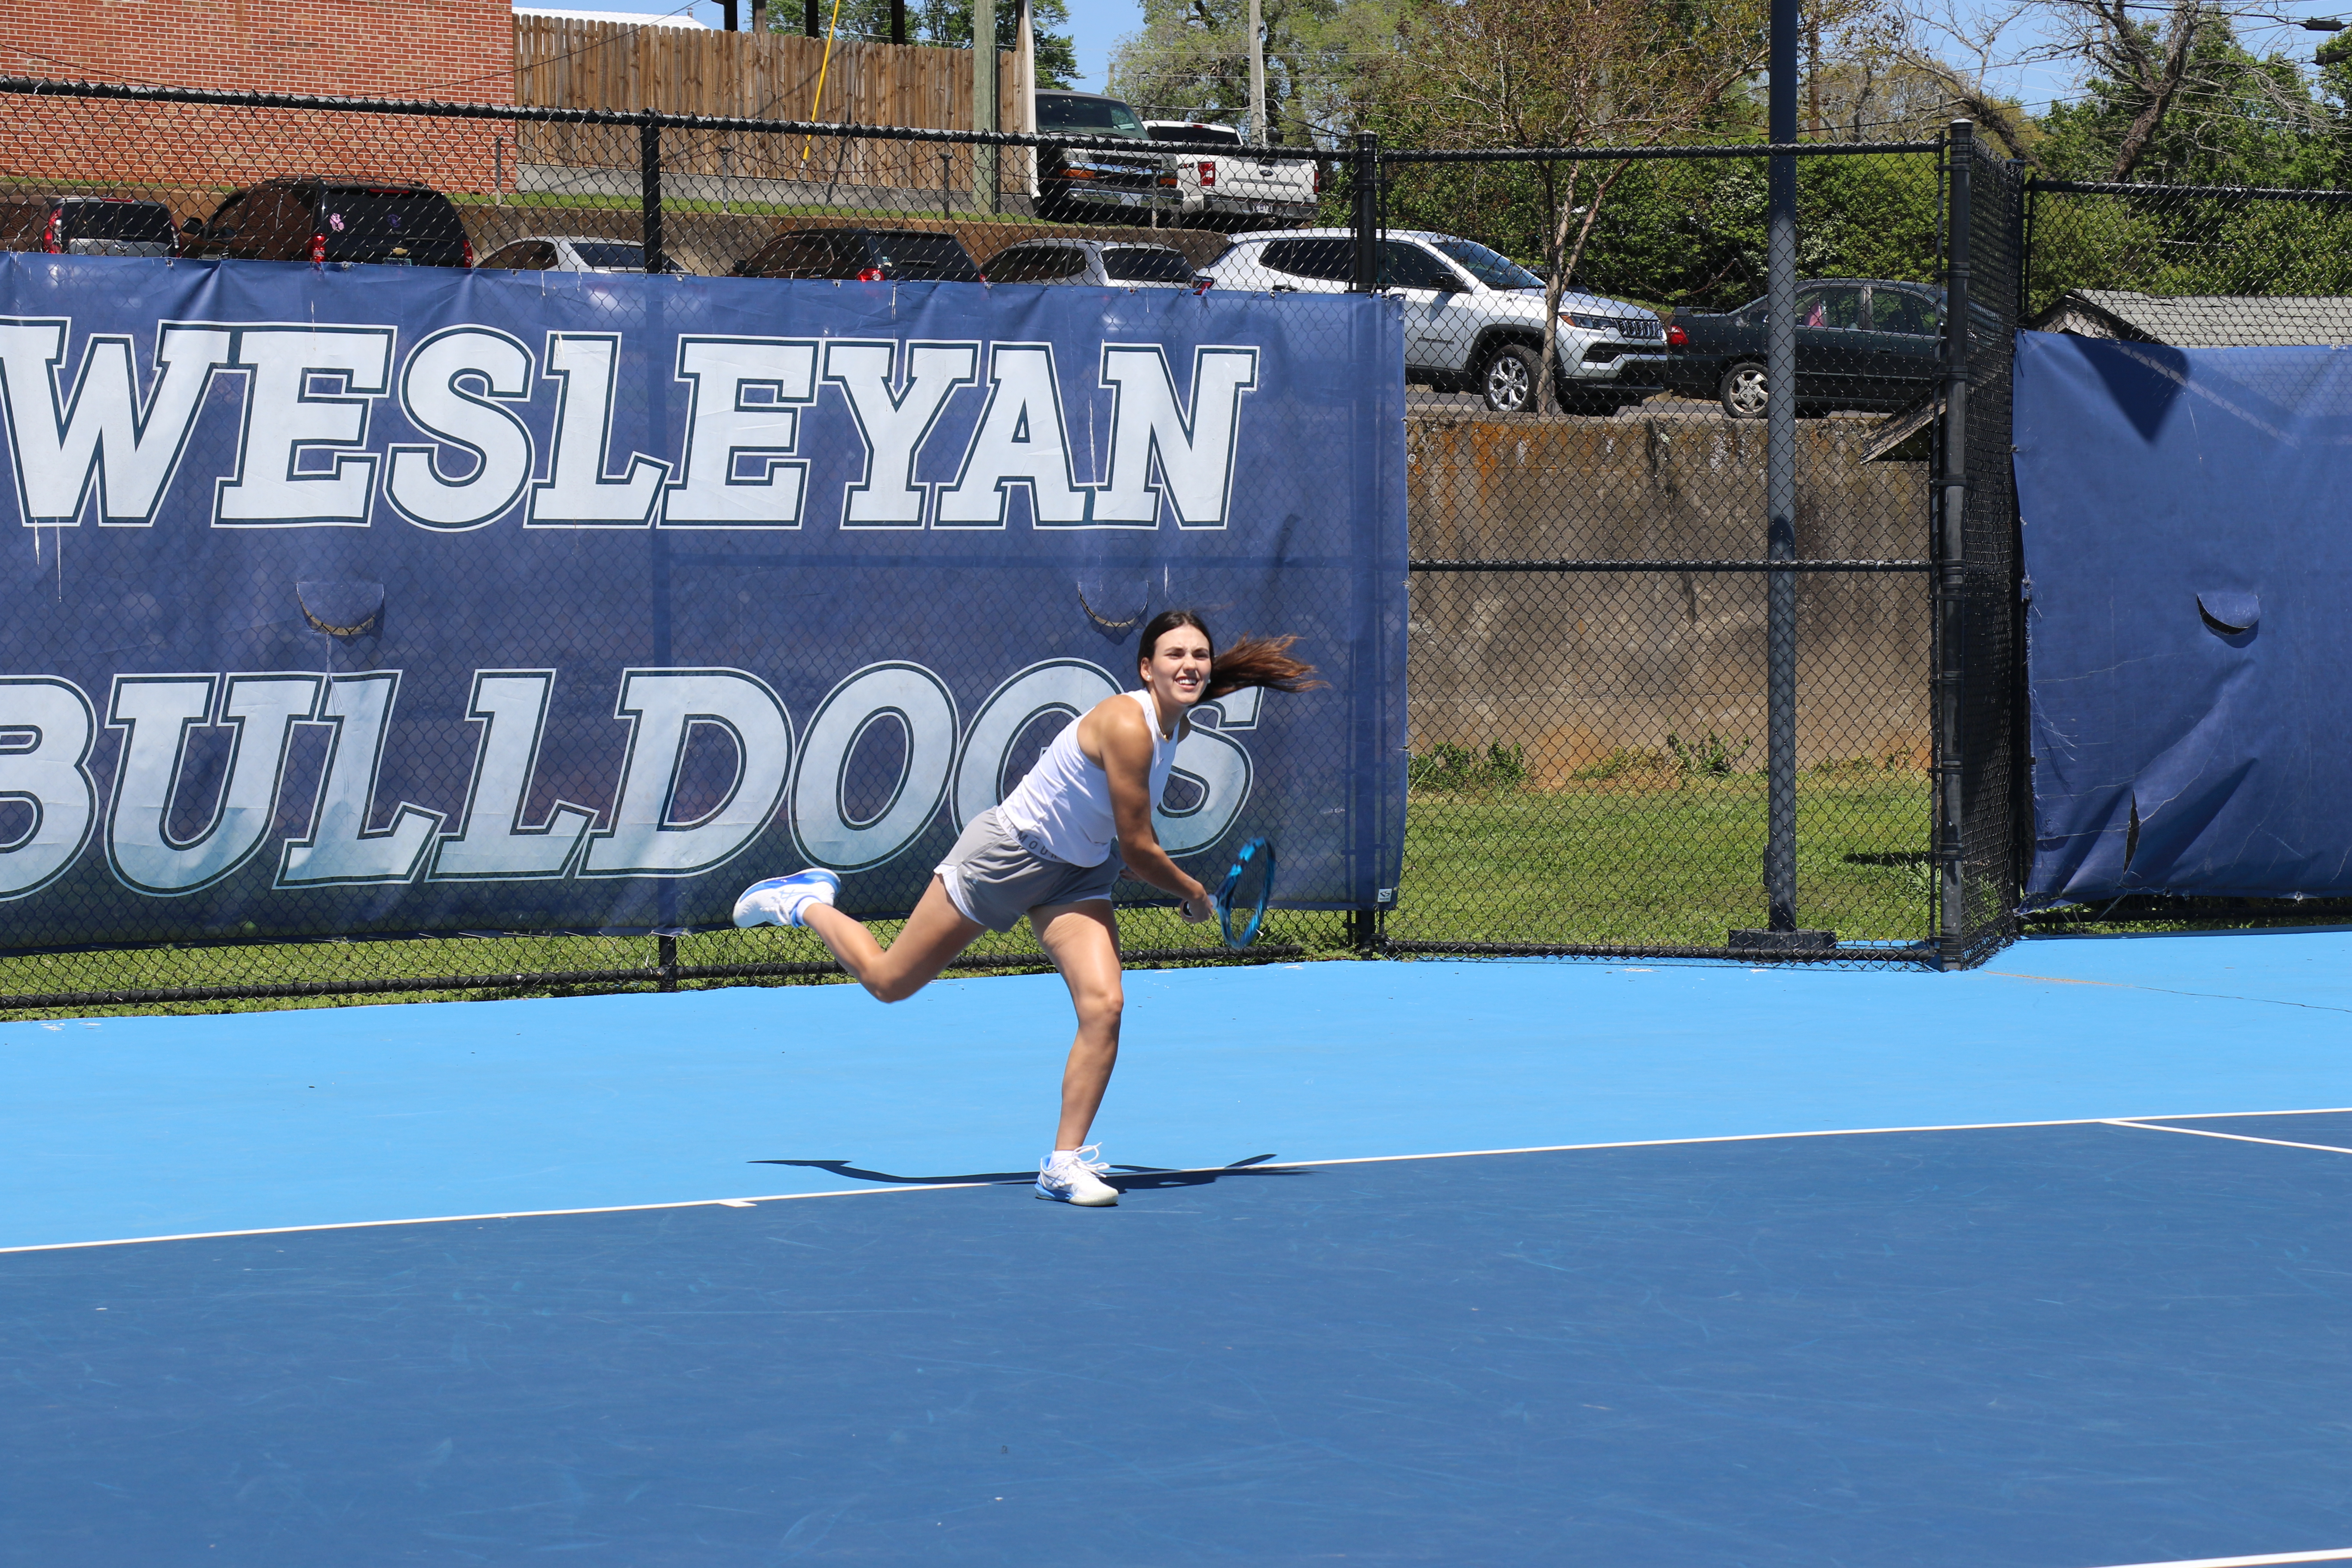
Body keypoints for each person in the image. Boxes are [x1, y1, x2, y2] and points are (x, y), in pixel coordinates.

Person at [732, 610, 1322, 1207]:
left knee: (1106, 1004)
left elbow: (1122, 846)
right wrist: (1194, 894)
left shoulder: (1179, 727)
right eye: (1174, 655)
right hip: (1010, 857)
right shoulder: (1127, 724)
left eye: (1199, 655)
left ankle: (1062, 1164)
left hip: (1081, 873)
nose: (1189, 664)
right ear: (1146, 669)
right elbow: (1140, 850)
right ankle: (804, 900)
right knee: (889, 982)